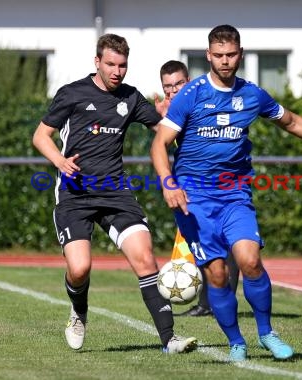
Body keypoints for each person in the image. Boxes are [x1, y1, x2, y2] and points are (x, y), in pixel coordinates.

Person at [150, 25, 302, 362]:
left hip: (235, 195)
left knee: (250, 261)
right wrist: (168, 182)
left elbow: (291, 121)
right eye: (218, 55)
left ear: (240, 54)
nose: (225, 61)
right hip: (195, 201)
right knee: (217, 274)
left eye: (231, 55)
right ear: (208, 56)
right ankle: (236, 341)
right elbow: (159, 144)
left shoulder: (252, 94)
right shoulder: (190, 95)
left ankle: (267, 333)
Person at [32, 33, 197, 354]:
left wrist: (171, 115)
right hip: (74, 194)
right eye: (110, 64)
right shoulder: (72, 93)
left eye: (122, 65)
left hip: (115, 193)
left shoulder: (131, 98)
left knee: (146, 259)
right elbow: (41, 136)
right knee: (79, 269)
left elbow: (165, 133)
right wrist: (60, 161)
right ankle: (78, 312)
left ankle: (170, 339)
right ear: (97, 62)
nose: (117, 71)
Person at [158, 60, 239, 317]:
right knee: (202, 241)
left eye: (179, 84)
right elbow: (166, 143)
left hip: (224, 182)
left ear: (189, 81)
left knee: (228, 242)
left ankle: (218, 303)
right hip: (194, 185)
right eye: (167, 87)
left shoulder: (203, 99)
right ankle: (208, 302)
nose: (173, 91)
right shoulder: (176, 109)